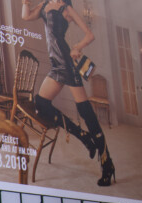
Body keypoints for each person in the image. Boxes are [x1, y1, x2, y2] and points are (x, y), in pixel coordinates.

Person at [21, 0, 114, 186]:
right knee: (41, 103)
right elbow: (25, 15)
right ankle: (84, 137)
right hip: (56, 65)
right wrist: (25, 2)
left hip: (66, 63)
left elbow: (89, 35)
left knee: (85, 110)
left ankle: (107, 163)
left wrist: (77, 48)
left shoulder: (66, 8)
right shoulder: (44, 5)